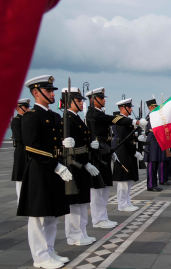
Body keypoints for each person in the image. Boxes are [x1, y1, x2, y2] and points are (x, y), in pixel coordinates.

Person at [18, 75, 72, 268]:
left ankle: (49, 250)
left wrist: (67, 145)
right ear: (35, 92)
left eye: (52, 91)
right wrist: (56, 165)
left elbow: (56, 142)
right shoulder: (31, 116)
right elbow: (31, 147)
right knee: (38, 216)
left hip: (54, 169)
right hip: (41, 170)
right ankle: (40, 257)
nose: (51, 94)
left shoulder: (55, 116)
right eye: (48, 91)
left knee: (52, 214)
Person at [85, 88, 147, 227]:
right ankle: (98, 219)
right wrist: (135, 123)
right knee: (97, 190)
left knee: (105, 188)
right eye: (101, 98)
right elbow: (112, 119)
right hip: (96, 154)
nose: (104, 100)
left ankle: (103, 217)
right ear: (93, 99)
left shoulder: (98, 113)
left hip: (104, 152)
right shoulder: (93, 113)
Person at [60, 87, 100, 246]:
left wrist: (91, 146)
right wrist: (86, 161)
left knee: (82, 202)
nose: (82, 104)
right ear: (69, 102)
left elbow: (83, 143)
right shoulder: (67, 118)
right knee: (75, 203)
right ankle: (74, 235)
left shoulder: (76, 118)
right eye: (78, 101)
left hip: (81, 165)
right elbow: (72, 148)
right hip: (73, 166)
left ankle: (81, 232)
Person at [113, 98, 141, 212]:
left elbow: (130, 136)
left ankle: (127, 202)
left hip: (128, 152)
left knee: (128, 179)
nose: (131, 109)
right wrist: (134, 152)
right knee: (123, 181)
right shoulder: (120, 121)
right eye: (129, 107)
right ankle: (122, 204)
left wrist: (138, 138)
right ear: (122, 108)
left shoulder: (127, 120)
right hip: (123, 152)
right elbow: (124, 139)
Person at [11, 98, 30, 206]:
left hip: (27, 150)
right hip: (21, 151)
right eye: (26, 107)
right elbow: (19, 137)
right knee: (20, 178)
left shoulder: (26, 119)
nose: (28, 109)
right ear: (18, 108)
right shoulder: (16, 120)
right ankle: (20, 202)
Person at [143, 99, 163, 192]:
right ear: (150, 107)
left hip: (156, 140)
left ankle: (154, 184)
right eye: (155, 107)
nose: (156, 108)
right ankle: (151, 185)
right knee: (152, 164)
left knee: (156, 163)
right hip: (152, 140)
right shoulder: (150, 116)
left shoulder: (155, 116)